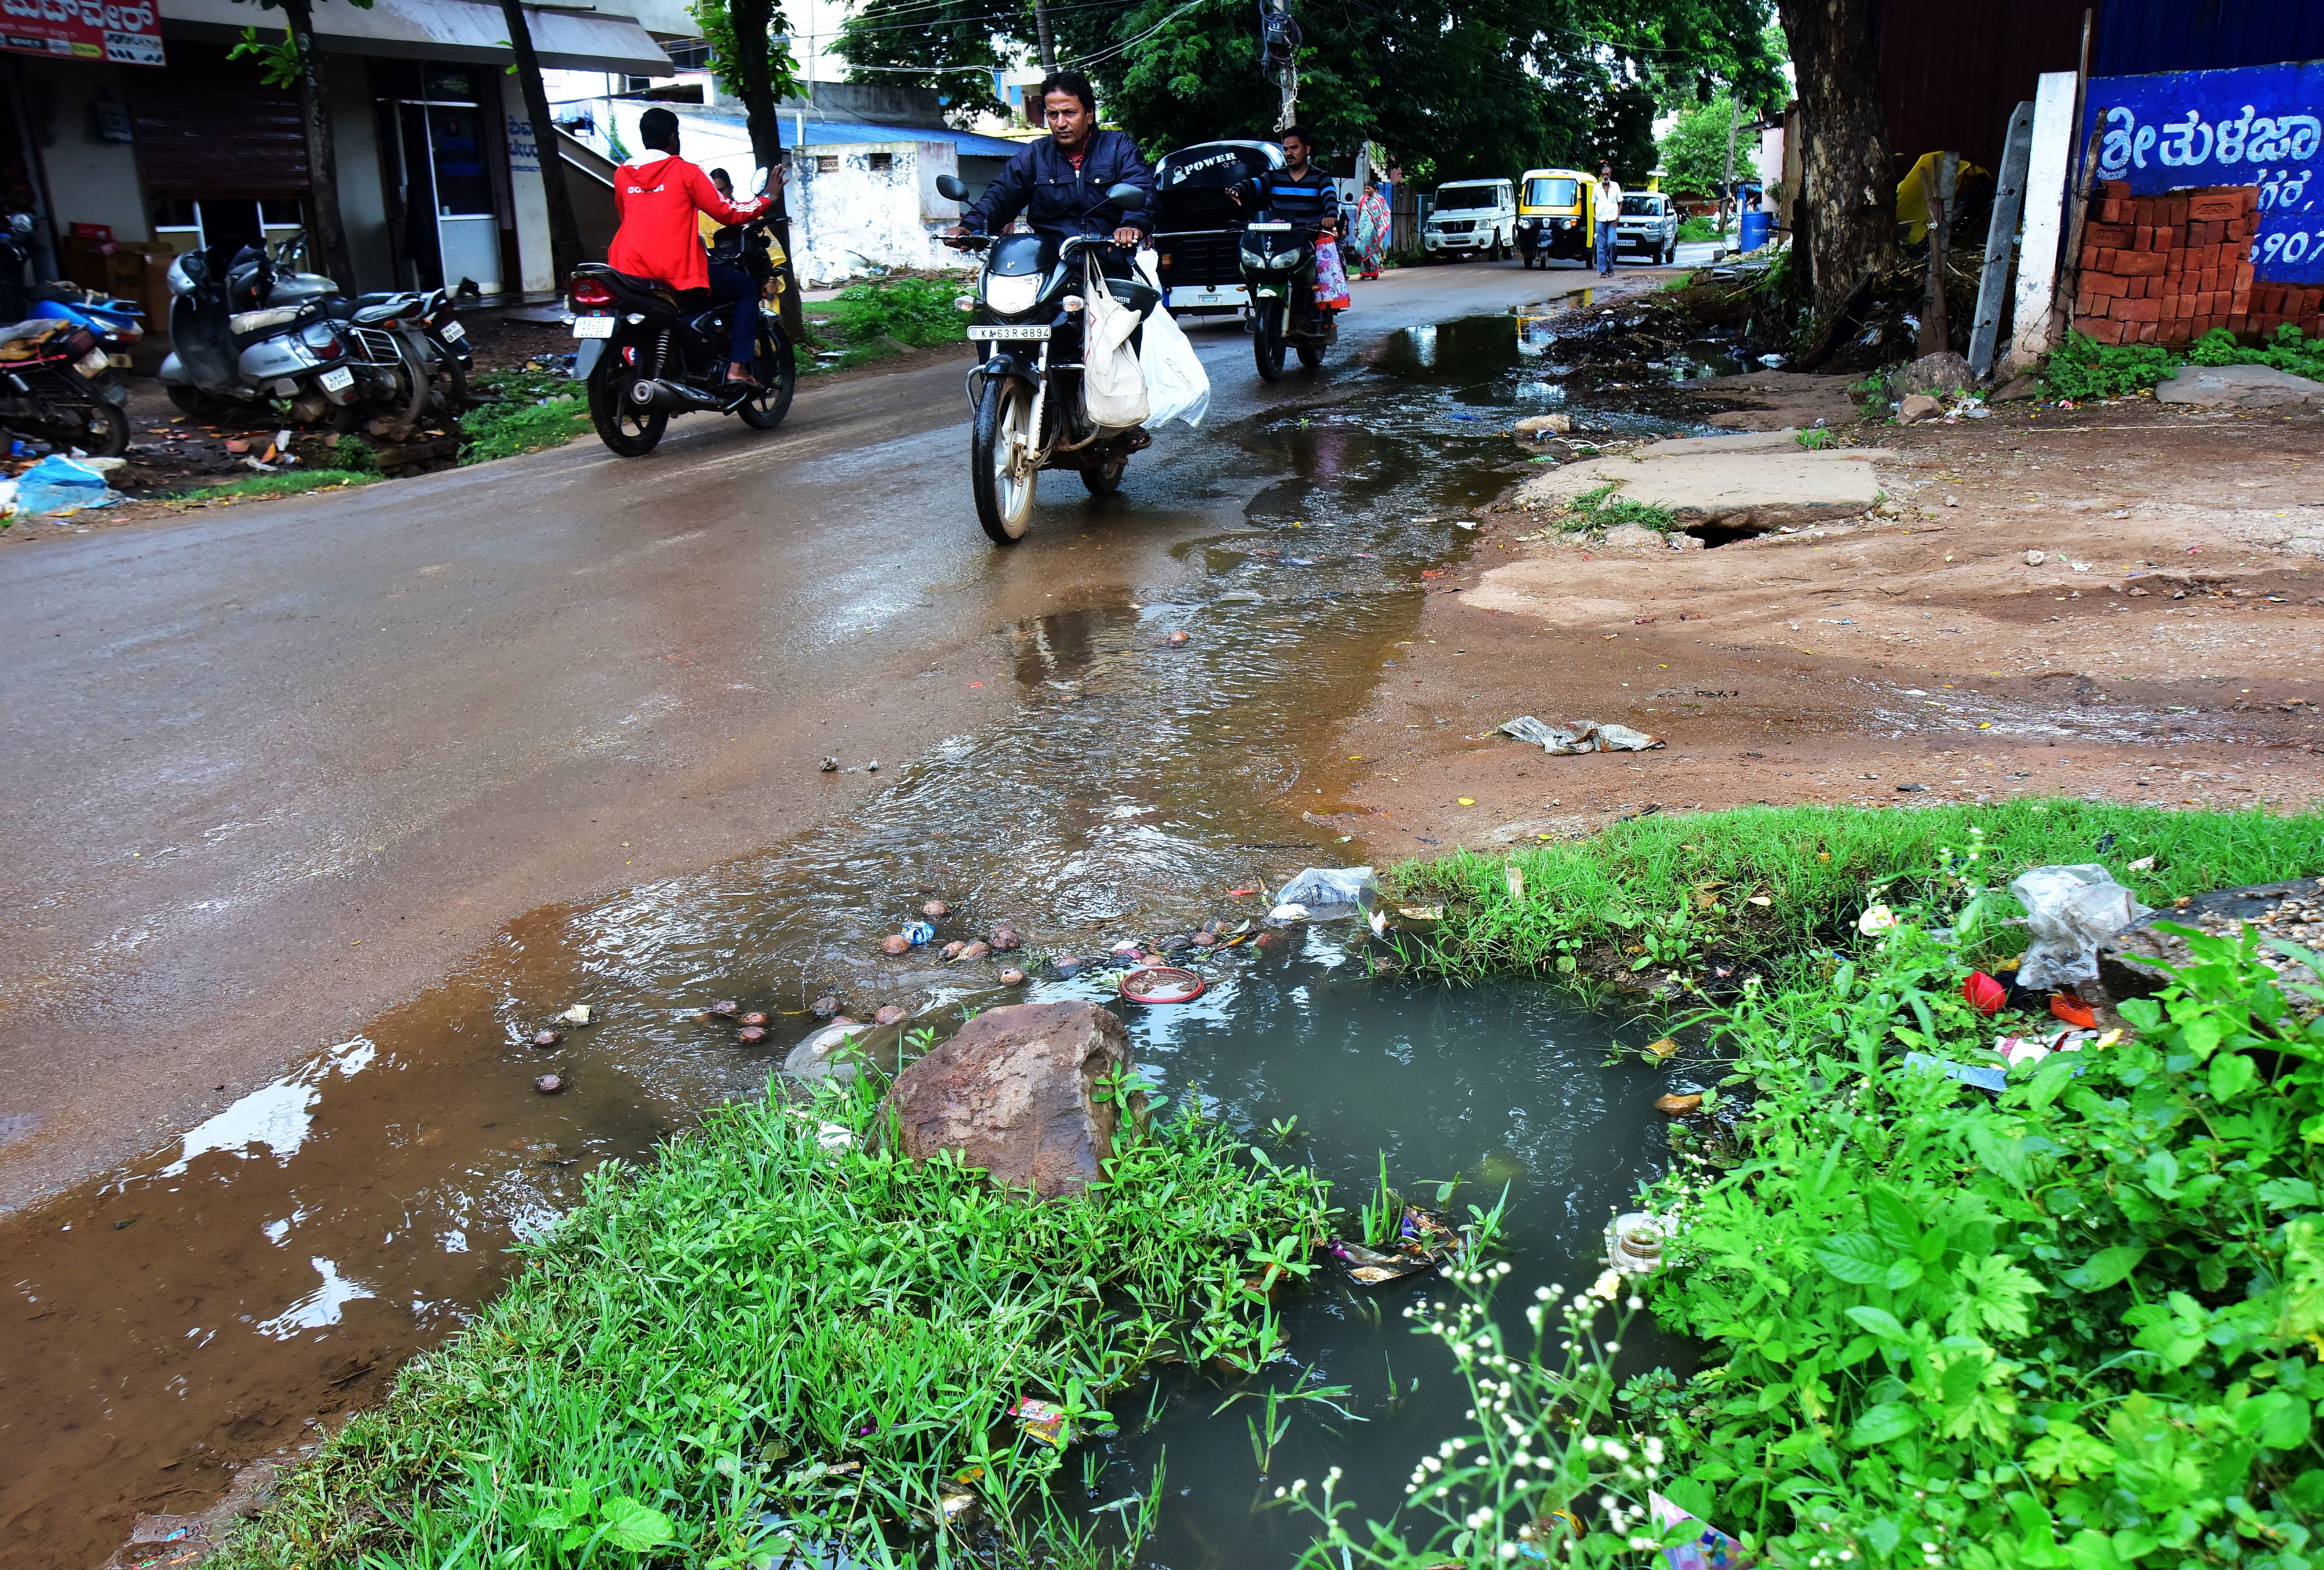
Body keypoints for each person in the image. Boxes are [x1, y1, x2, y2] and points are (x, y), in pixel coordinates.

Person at [607, 108, 781, 385]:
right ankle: (737, 369)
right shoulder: (686, 172)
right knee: (746, 288)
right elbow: (729, 213)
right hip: (672, 269)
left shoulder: (623, 174)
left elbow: (625, 217)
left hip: (627, 270)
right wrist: (767, 198)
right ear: (673, 137)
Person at [949, 70, 1152, 254]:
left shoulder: (1118, 148)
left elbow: (1141, 190)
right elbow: (1001, 196)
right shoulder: (1035, 155)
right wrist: (969, 226)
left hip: (1108, 262)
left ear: (1089, 115)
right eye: (1053, 115)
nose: (1061, 123)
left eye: (1070, 113)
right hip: (1049, 265)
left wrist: (1132, 225)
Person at [1350, 175, 1391, 279]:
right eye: (1365, 188)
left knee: (1374, 250)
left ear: (1374, 189)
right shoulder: (1362, 199)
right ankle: (1365, 272)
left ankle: (1373, 273)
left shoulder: (1379, 200)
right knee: (1360, 248)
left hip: (1374, 230)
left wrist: (1381, 227)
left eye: (1369, 188)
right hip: (1363, 229)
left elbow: (1385, 213)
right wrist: (1357, 227)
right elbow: (1359, 213)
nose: (1366, 190)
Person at [1593, 161, 1623, 276]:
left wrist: (1618, 218)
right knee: (1601, 245)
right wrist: (1595, 217)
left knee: (1611, 243)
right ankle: (1603, 270)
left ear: (1610, 175)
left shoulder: (1615, 186)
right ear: (1601, 176)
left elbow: (1620, 203)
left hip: (1612, 220)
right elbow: (1594, 203)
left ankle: (1611, 267)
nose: (1606, 176)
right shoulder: (1596, 188)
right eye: (1604, 175)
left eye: (1608, 174)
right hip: (1600, 219)